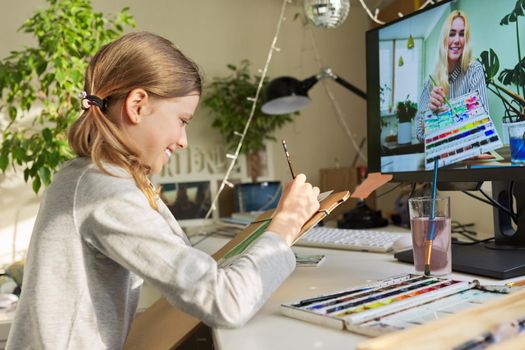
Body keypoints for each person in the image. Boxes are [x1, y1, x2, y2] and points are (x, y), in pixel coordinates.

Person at [6, 31, 320, 349]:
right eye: (182, 120)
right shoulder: (106, 191)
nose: (183, 140)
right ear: (138, 105)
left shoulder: (91, 176)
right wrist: (286, 225)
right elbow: (226, 302)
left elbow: (184, 264)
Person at [415, 10, 489, 142]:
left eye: (462, 34)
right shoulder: (430, 83)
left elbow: (482, 122)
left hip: (470, 155)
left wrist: (441, 121)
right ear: (444, 38)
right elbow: (420, 134)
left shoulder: (474, 70)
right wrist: (430, 112)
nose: (457, 40)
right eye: (452, 33)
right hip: (442, 158)